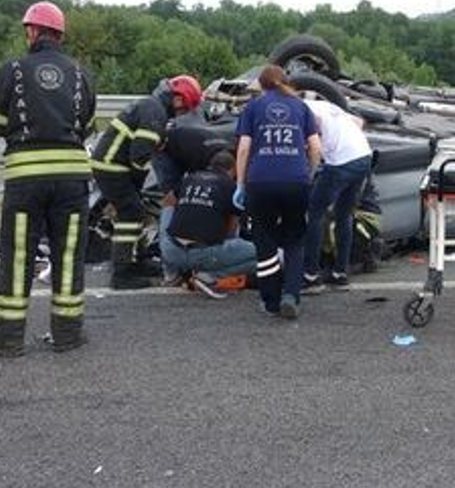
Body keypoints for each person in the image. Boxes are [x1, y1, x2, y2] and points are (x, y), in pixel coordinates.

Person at [0, 1, 96, 357]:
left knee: (18, 256)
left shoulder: (13, 69)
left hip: (25, 178)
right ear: (60, 35)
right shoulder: (81, 73)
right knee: (69, 255)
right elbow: (88, 126)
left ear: (32, 32)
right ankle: (68, 335)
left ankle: (7, 339)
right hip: (72, 179)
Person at [90, 74, 203, 289]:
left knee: (136, 211)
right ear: (178, 99)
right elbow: (139, 155)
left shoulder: (152, 106)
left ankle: (138, 260)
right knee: (130, 213)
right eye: (185, 109)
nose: (182, 114)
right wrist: (139, 183)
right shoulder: (155, 113)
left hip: (111, 164)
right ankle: (122, 273)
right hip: (112, 166)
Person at [234, 65, 321, 319]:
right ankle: (291, 295)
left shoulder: (252, 107)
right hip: (296, 181)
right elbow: (315, 147)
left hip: (260, 182)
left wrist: (240, 183)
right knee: (295, 239)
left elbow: (243, 148)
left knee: (265, 240)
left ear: (261, 85)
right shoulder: (301, 107)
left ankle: (270, 301)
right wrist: (309, 174)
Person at [158, 150, 256, 298]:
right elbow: (231, 230)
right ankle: (209, 277)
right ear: (233, 169)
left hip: (171, 252)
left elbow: (168, 201)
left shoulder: (190, 178)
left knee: (168, 208)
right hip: (204, 254)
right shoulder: (231, 186)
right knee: (266, 254)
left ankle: (170, 274)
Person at [302, 98, 374, 290]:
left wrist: (310, 173)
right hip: (363, 157)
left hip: (340, 163)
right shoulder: (327, 105)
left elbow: (315, 145)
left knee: (315, 213)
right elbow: (359, 122)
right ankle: (340, 273)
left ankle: (310, 275)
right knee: (344, 214)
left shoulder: (304, 109)